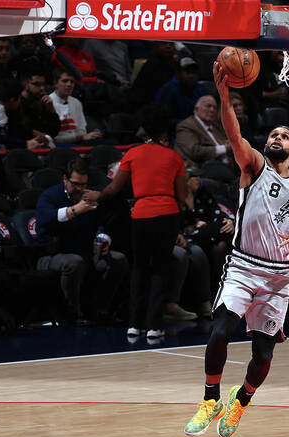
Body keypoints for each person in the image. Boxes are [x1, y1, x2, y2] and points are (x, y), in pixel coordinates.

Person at [184, 61, 289, 437]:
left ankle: (240, 400)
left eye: (284, 136)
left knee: (263, 354)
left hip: (279, 276)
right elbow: (233, 132)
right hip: (244, 267)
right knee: (220, 331)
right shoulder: (254, 165)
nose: (276, 138)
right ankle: (210, 398)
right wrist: (225, 93)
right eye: (273, 134)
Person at [84, 104, 187, 338]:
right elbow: (181, 196)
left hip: (140, 215)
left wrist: (97, 195)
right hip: (167, 213)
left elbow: (113, 189)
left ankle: (134, 324)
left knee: (139, 268)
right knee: (161, 269)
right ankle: (154, 326)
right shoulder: (174, 157)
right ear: (164, 133)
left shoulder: (131, 153)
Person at [35, 158, 129, 323]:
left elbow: (102, 225)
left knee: (118, 260)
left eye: (83, 184)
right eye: (75, 184)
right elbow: (43, 220)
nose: (80, 189)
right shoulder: (50, 195)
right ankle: (72, 314)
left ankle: (100, 310)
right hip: (53, 253)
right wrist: (73, 210)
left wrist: (103, 239)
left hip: (85, 251)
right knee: (74, 262)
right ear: (65, 179)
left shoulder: (88, 196)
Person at [49, 67, 103, 145]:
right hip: (58, 145)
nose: (69, 84)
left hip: (77, 142)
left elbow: (82, 130)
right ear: (55, 83)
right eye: (65, 81)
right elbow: (53, 138)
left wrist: (84, 137)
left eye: (72, 81)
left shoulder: (76, 102)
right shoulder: (49, 102)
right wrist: (80, 137)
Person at [174, 95, 231, 167]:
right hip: (202, 170)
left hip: (227, 168)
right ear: (196, 109)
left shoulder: (216, 126)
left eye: (215, 108)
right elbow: (194, 151)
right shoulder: (186, 126)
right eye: (208, 106)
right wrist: (225, 148)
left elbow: (227, 142)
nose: (212, 110)